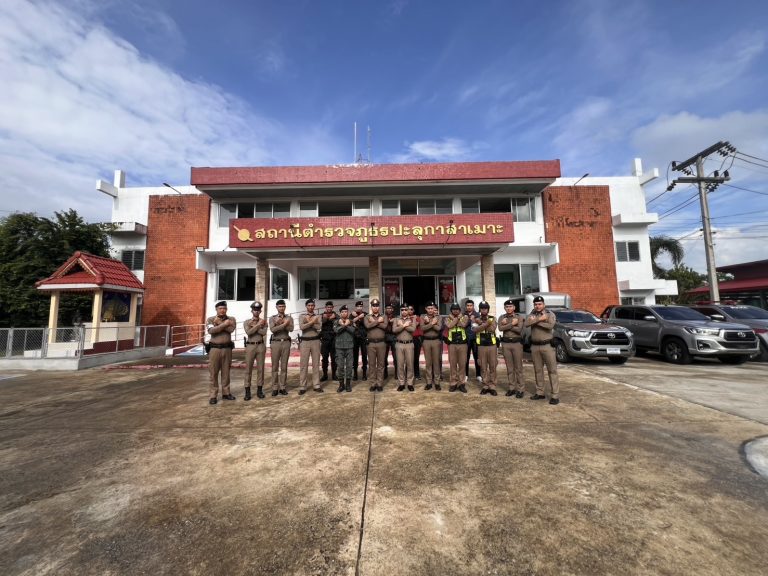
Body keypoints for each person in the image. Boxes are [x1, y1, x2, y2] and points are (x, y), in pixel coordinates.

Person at [525, 295, 560, 405]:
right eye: (535, 304)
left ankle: (555, 395)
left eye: (539, 304)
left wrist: (535, 321)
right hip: (535, 346)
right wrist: (539, 319)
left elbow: (550, 326)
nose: (537, 306)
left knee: (552, 371)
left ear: (544, 304)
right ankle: (540, 392)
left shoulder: (550, 314)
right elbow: (526, 324)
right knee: (538, 370)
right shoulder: (532, 314)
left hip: (547, 346)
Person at [206, 300, 236, 405]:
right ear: (216, 309)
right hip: (214, 349)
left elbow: (231, 329)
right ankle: (213, 395)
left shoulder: (231, 319)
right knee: (213, 372)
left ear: (226, 309)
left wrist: (219, 324)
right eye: (220, 308)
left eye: (224, 308)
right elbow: (211, 331)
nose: (222, 310)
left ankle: (226, 393)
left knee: (226, 372)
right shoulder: (210, 319)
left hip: (227, 349)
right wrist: (223, 325)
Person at [499, 299, 525, 398]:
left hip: (516, 344)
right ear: (504, 308)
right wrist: (511, 324)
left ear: (514, 308)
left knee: (518, 368)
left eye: (510, 306)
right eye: (507, 307)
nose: (509, 308)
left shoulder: (519, 317)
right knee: (509, 368)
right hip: (506, 344)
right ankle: (511, 388)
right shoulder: (502, 317)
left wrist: (506, 325)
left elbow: (519, 330)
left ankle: (520, 389)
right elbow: (500, 329)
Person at [243, 301, 267, 400]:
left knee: (261, 369)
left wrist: (255, 327)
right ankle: (247, 392)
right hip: (250, 346)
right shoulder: (247, 322)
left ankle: (259, 390)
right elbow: (249, 332)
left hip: (260, 345)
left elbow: (263, 332)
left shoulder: (264, 322)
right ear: (251, 311)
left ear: (260, 311)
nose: (256, 312)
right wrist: (257, 326)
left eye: (258, 310)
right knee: (248, 369)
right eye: (254, 310)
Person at [298, 298, 323, 394]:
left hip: (315, 341)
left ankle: (316, 385)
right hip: (305, 341)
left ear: (314, 306)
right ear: (306, 306)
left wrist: (308, 322)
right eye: (309, 305)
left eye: (312, 305)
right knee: (303, 365)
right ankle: (302, 386)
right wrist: (313, 322)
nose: (311, 307)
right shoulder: (302, 316)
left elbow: (319, 327)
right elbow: (302, 327)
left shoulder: (318, 316)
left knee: (315, 364)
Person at [269, 299, 294, 396]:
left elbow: (291, 329)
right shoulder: (272, 318)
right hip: (275, 343)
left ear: (285, 307)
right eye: (280, 306)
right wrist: (284, 324)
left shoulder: (289, 318)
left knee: (284, 367)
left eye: (283, 306)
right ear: (276, 307)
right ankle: (275, 387)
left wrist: (280, 323)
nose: (281, 308)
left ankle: (282, 387)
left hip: (286, 343)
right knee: (275, 366)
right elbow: (273, 330)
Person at [474, 301, 498, 395]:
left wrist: (481, 324)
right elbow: (475, 330)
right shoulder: (476, 319)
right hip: (481, 346)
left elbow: (492, 329)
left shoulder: (493, 318)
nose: (484, 310)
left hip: (492, 345)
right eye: (482, 308)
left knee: (493, 366)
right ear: (480, 309)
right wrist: (486, 323)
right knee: (483, 366)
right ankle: (485, 385)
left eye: (485, 308)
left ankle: (492, 386)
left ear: (488, 309)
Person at [364, 298, 388, 392]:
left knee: (381, 365)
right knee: (372, 364)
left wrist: (373, 322)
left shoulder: (384, 316)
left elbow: (385, 326)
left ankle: (379, 383)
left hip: (381, 343)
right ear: (371, 307)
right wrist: (378, 321)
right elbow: (367, 326)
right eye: (373, 306)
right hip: (371, 343)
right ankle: (373, 383)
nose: (375, 307)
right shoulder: (367, 317)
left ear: (379, 306)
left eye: (377, 305)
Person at [444, 303, 469, 393]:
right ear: (451, 310)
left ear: (460, 310)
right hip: (452, 344)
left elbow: (463, 325)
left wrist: (455, 321)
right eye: (454, 309)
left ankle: (462, 384)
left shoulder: (465, 317)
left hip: (462, 344)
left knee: (462, 364)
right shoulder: (447, 318)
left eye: (457, 309)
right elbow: (449, 326)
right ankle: (453, 383)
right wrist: (457, 319)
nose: (455, 311)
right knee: (453, 364)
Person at [420, 301, 443, 391]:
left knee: (436, 362)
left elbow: (438, 328)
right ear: (426, 309)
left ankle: (437, 382)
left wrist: (428, 322)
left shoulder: (439, 317)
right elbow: (422, 328)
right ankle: (429, 382)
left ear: (434, 309)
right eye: (429, 308)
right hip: (426, 341)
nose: (430, 310)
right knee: (428, 363)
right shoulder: (422, 317)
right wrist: (432, 323)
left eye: (432, 308)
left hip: (436, 340)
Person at [393, 303, 416, 391]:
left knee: (410, 364)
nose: (404, 311)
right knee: (400, 365)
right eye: (402, 310)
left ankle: (410, 383)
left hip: (409, 344)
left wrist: (402, 325)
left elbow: (413, 329)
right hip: (399, 344)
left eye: (406, 310)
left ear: (408, 310)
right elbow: (394, 330)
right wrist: (405, 325)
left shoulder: (412, 319)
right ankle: (401, 383)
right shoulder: (396, 319)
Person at [333, 305, 355, 392]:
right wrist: (343, 325)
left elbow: (353, 330)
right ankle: (341, 385)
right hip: (339, 347)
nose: (344, 313)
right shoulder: (336, 322)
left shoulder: (351, 321)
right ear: (340, 313)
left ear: (348, 313)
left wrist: (346, 325)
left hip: (349, 347)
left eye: (345, 312)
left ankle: (348, 384)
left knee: (349, 366)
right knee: (340, 366)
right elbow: (336, 330)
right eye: (342, 312)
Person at [320, 301, 338, 382]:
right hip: (325, 339)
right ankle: (325, 375)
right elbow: (320, 324)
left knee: (334, 358)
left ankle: (334, 375)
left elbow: (339, 323)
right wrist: (328, 318)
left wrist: (333, 318)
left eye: (330, 307)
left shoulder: (336, 315)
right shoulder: (322, 315)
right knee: (324, 358)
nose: (329, 308)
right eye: (328, 307)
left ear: (333, 307)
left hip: (333, 339)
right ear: (325, 308)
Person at [464, 299, 481, 382]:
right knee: (465, 358)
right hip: (466, 339)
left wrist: (475, 319)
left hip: (475, 339)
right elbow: (462, 325)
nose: (469, 307)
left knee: (477, 357)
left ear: (473, 306)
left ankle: (478, 374)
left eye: (471, 306)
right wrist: (468, 319)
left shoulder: (477, 315)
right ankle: (466, 375)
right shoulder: (463, 315)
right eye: (468, 306)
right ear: (465, 306)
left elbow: (480, 325)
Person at [351, 300, 368, 381]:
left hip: (363, 338)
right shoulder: (352, 314)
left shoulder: (365, 314)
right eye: (358, 306)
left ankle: (364, 374)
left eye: (361, 306)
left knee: (364, 356)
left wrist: (361, 317)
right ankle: (355, 374)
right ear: (355, 307)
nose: (359, 308)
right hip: (354, 338)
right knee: (355, 356)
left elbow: (367, 324)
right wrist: (357, 317)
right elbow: (350, 323)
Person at [383, 303, 398, 380]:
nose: (389, 309)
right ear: (385, 309)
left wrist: (394, 321)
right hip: (385, 337)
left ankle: (396, 373)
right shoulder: (382, 317)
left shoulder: (396, 317)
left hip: (393, 337)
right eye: (387, 308)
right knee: (384, 357)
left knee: (395, 357)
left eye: (390, 308)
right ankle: (385, 373)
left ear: (392, 309)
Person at [410, 304, 423, 380]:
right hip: (408, 339)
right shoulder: (405, 318)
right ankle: (409, 374)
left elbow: (415, 325)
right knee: (408, 359)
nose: (410, 311)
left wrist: (407, 324)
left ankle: (417, 374)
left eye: (411, 309)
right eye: (408, 309)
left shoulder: (417, 317)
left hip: (416, 339)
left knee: (416, 357)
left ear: (413, 310)